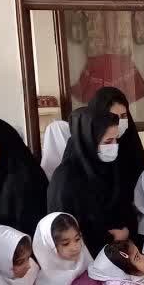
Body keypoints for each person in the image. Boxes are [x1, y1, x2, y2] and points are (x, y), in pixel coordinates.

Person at [48, 107, 132, 255]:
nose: (114, 146)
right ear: (88, 141)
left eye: (116, 139)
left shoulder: (111, 167)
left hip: (119, 251)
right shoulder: (65, 178)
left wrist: (126, 231)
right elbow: (63, 228)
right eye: (108, 141)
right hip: (84, 256)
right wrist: (110, 238)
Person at [89, 87, 144, 202]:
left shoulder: (131, 143)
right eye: (113, 117)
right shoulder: (88, 153)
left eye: (123, 116)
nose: (120, 122)